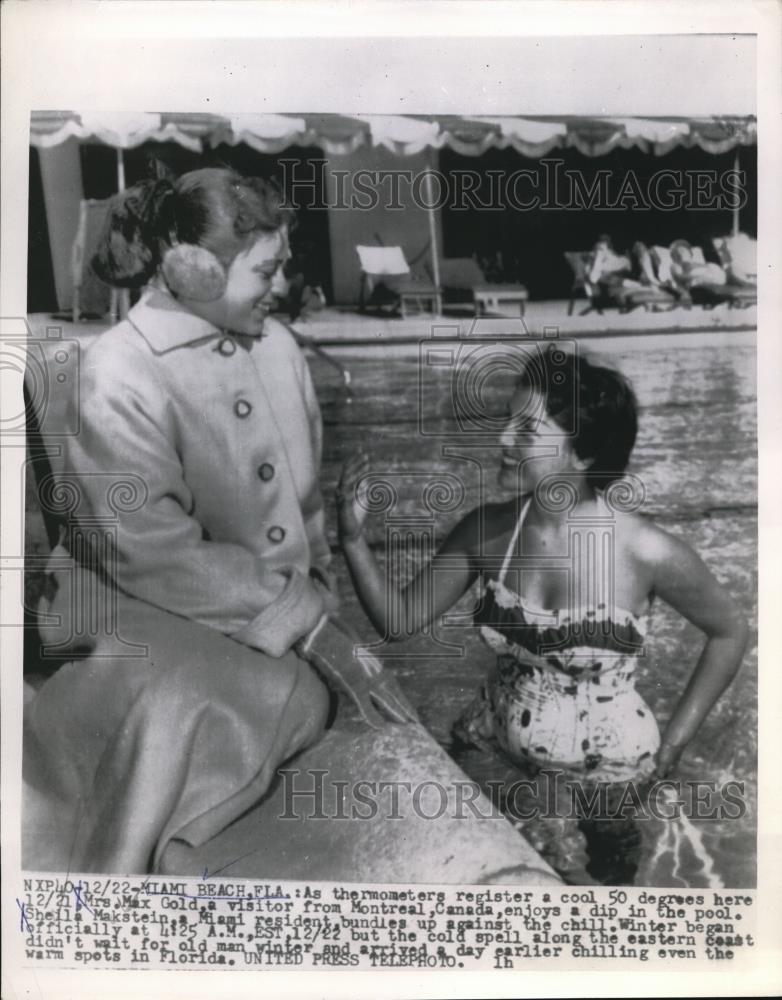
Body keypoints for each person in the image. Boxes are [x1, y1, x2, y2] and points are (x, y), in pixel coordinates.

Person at [23, 167, 413, 875]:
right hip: (132, 605)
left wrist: (320, 608)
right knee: (190, 707)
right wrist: (307, 625)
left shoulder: (280, 349)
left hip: (258, 612)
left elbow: (304, 514)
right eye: (266, 269)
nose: (284, 284)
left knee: (286, 693)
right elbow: (150, 551)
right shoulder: (113, 371)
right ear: (192, 267)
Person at [336, 347, 748, 883]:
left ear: (582, 456)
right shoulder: (487, 531)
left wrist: (672, 746)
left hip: (610, 771)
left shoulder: (645, 551)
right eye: (509, 421)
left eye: (527, 430)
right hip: (492, 744)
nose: (504, 440)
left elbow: (730, 631)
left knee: (605, 888)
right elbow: (400, 621)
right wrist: (352, 541)